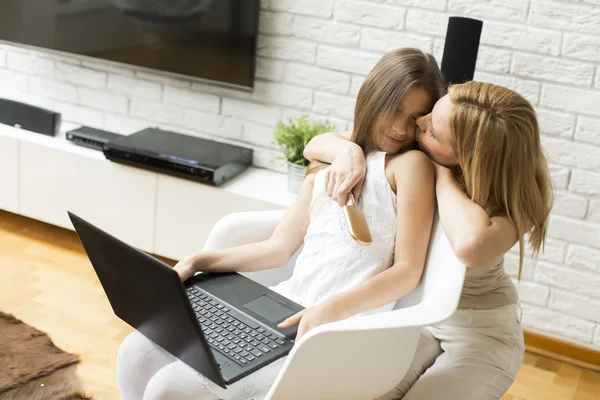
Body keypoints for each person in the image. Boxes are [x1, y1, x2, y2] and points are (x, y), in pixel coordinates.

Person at [115, 47, 446, 400]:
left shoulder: (411, 167)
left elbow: (408, 270)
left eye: (415, 118)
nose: (399, 127)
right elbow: (278, 249)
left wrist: (327, 310)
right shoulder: (334, 159)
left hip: (339, 330)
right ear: (373, 98)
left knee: (168, 389)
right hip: (285, 309)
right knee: (133, 353)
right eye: (394, 109)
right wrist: (199, 261)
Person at [303, 80, 554, 399]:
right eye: (429, 115)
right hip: (417, 320)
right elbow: (315, 144)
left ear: (466, 158)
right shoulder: (417, 147)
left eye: (432, 131)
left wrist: (439, 174)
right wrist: (348, 151)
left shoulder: (513, 204)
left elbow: (470, 246)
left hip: (481, 332)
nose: (417, 124)